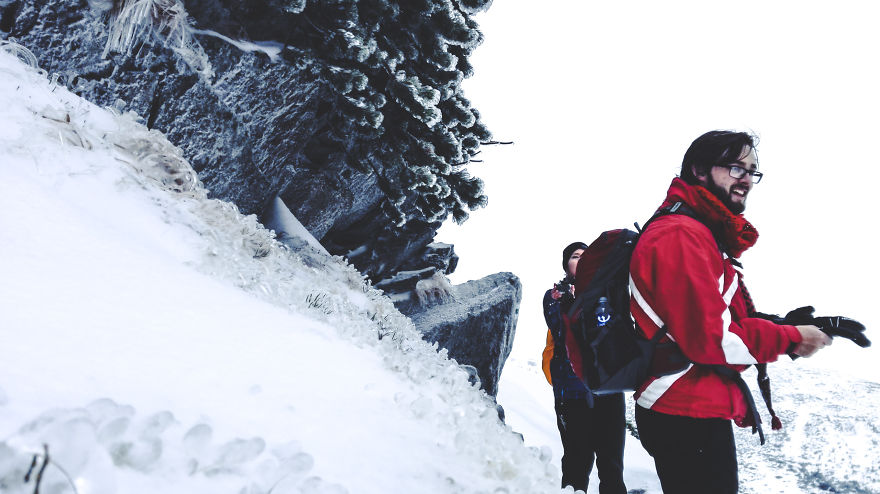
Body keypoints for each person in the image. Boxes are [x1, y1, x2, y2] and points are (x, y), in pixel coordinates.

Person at [629, 130, 832, 493]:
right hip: (683, 407)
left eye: (752, 171)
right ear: (700, 170)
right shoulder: (681, 234)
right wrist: (791, 339)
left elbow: (719, 318)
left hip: (690, 402)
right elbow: (712, 340)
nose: (746, 181)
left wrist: (786, 324)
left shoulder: (699, 233)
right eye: (736, 168)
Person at [542, 242, 627, 494]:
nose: (582, 259)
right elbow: (563, 328)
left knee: (612, 466)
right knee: (577, 465)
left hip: (609, 389)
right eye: (576, 256)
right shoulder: (554, 295)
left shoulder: (608, 291)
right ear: (566, 265)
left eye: (587, 256)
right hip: (572, 392)